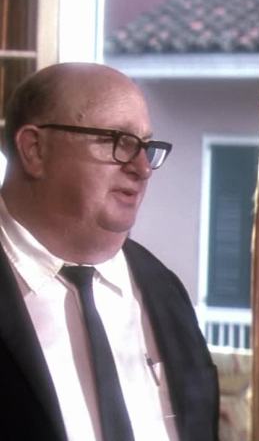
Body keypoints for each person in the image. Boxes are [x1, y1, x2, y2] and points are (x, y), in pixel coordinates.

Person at [0, 63, 219, 440]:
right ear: (35, 150)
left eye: (145, 146)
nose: (142, 168)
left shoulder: (164, 289)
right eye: (117, 140)